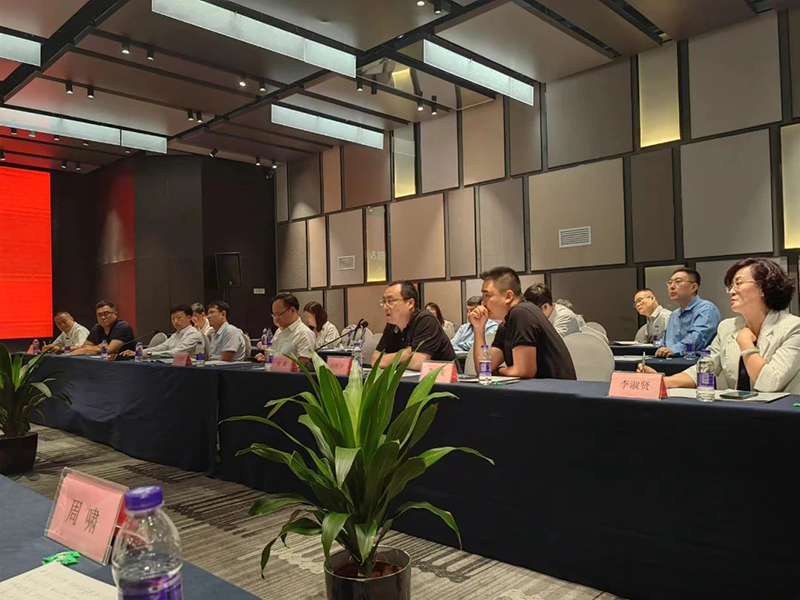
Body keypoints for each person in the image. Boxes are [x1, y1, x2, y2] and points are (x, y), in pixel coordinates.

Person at [639, 258, 800, 393]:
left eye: (738, 283)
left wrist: (745, 343)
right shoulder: (727, 327)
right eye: (730, 286)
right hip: (740, 411)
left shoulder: (793, 328)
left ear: (764, 287)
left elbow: (769, 383)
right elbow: (703, 368)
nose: (731, 291)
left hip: (781, 415)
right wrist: (663, 381)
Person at [470, 267, 576, 380]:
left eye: (487, 296)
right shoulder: (505, 325)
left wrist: (499, 371)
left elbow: (524, 371)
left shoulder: (521, 313)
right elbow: (483, 369)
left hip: (556, 389)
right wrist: (479, 328)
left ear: (508, 296)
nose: (483, 303)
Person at [372, 281, 457, 370]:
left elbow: (417, 363)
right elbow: (375, 360)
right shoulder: (392, 325)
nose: (385, 307)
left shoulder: (426, 320)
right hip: (407, 377)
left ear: (410, 303)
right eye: (384, 301)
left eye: (390, 301)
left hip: (445, 378)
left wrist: (388, 360)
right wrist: (404, 354)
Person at [657, 268, 721, 358]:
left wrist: (673, 350)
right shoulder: (674, 315)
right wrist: (661, 349)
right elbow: (664, 342)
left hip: (698, 363)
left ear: (693, 287)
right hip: (669, 361)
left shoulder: (706, 309)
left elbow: (697, 339)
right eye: (670, 282)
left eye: (678, 281)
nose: (672, 286)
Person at [120, 304, 204, 358]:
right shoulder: (176, 335)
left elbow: (177, 353)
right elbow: (162, 347)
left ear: (189, 318)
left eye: (179, 318)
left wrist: (148, 354)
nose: (175, 321)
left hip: (190, 370)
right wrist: (139, 352)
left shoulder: (194, 334)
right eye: (173, 319)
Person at [256, 293, 316, 364]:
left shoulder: (304, 333)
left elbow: (302, 365)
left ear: (292, 310)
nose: (276, 318)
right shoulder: (279, 331)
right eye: (274, 315)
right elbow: (275, 356)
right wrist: (265, 358)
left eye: (278, 314)